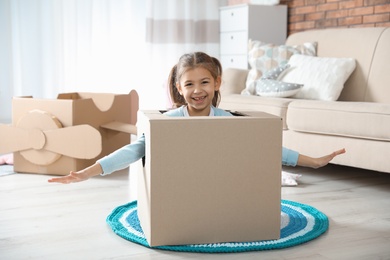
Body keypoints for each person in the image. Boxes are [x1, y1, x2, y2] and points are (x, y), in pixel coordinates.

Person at [48, 52, 345, 184]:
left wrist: (314, 161)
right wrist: (88, 172)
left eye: (204, 82)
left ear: (217, 83)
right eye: (189, 84)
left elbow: (265, 148)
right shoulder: (168, 121)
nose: (197, 91)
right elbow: (135, 150)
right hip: (180, 185)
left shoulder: (227, 119)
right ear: (179, 89)